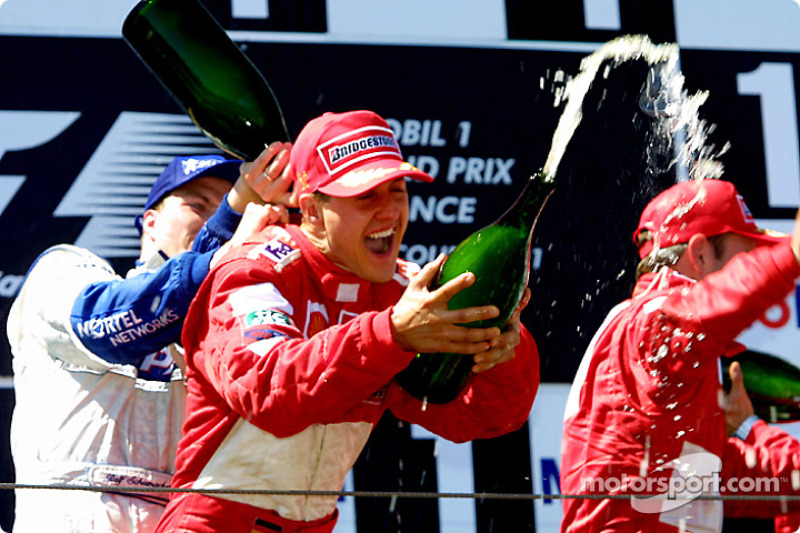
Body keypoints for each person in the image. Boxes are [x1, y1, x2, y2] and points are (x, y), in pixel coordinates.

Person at [153, 110, 540, 533]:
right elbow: (269, 392)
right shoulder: (254, 269)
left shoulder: (400, 293)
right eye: (365, 197)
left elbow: (475, 417)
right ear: (312, 211)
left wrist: (502, 351)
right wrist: (390, 334)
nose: (390, 211)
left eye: (397, 190)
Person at [7, 144, 292, 532]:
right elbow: (106, 319)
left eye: (222, 210)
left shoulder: (240, 322)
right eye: (198, 205)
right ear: (151, 222)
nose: (214, 219)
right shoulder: (64, 272)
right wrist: (222, 247)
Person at [560, 178, 800, 532]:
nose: (752, 265)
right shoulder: (650, 321)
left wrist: (750, 429)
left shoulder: (663, 352)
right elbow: (711, 307)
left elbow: (702, 482)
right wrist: (790, 257)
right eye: (745, 257)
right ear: (700, 254)